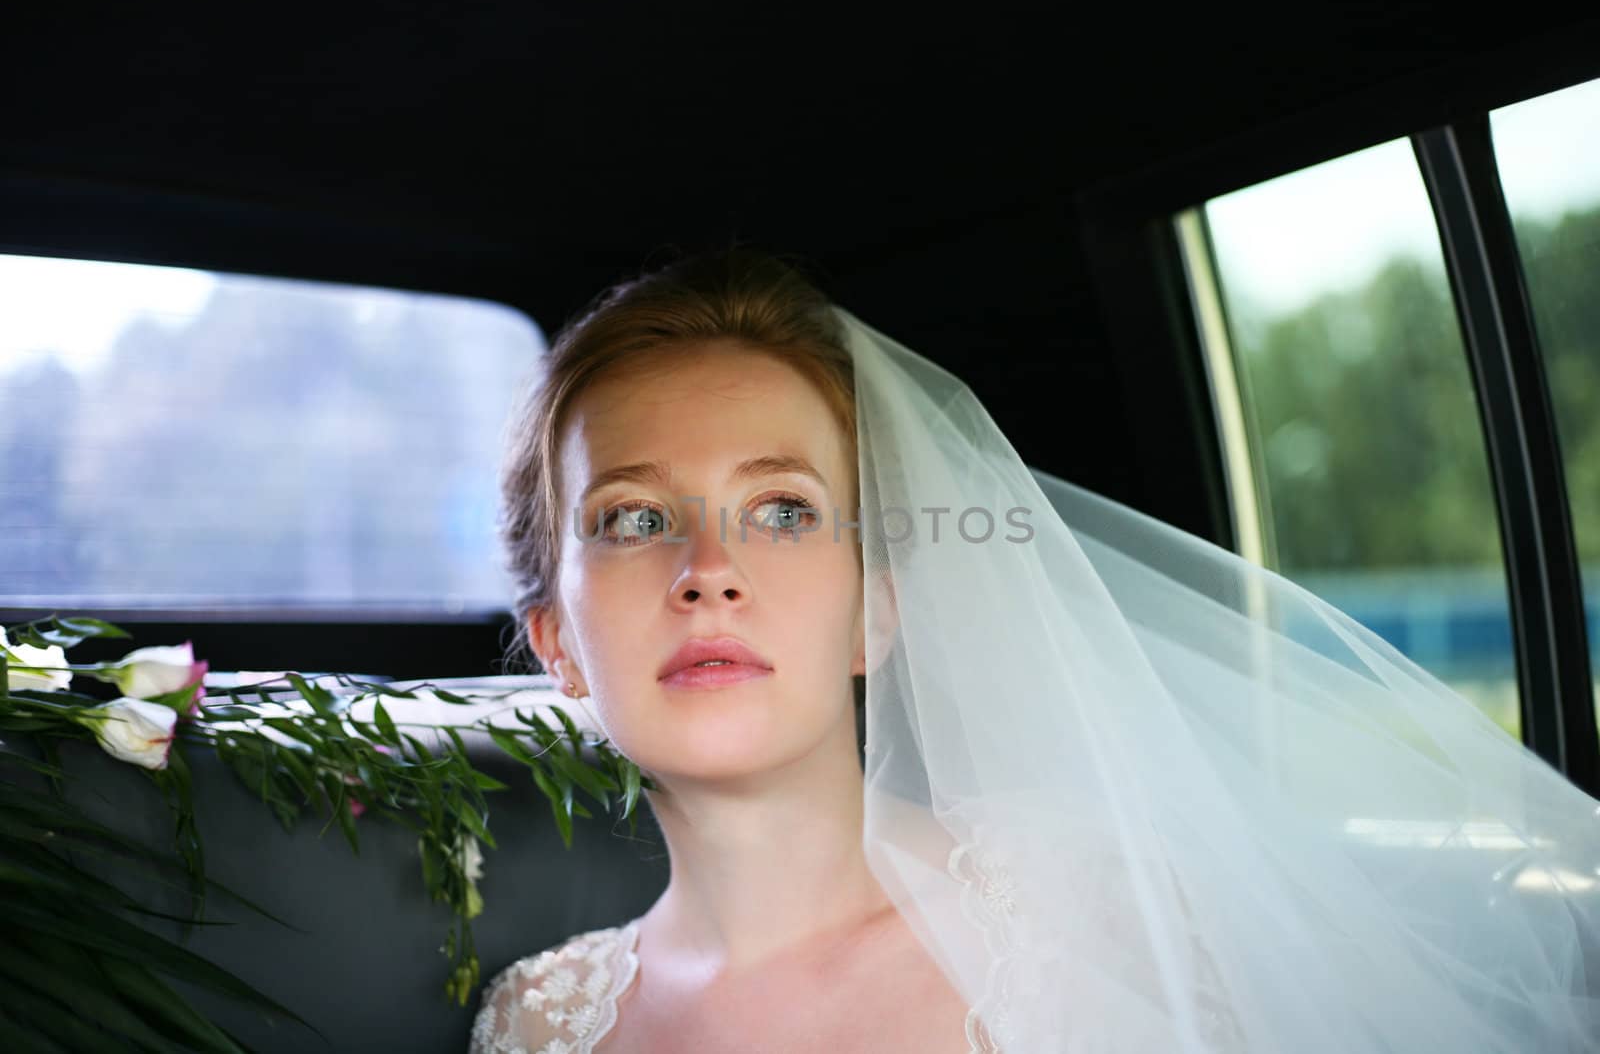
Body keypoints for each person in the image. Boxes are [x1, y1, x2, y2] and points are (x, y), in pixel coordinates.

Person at [471, 249, 1600, 1053]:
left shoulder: (1106, 911)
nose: (706, 567)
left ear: (877, 608)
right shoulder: (535, 1022)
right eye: (631, 517)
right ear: (557, 640)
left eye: (781, 510)